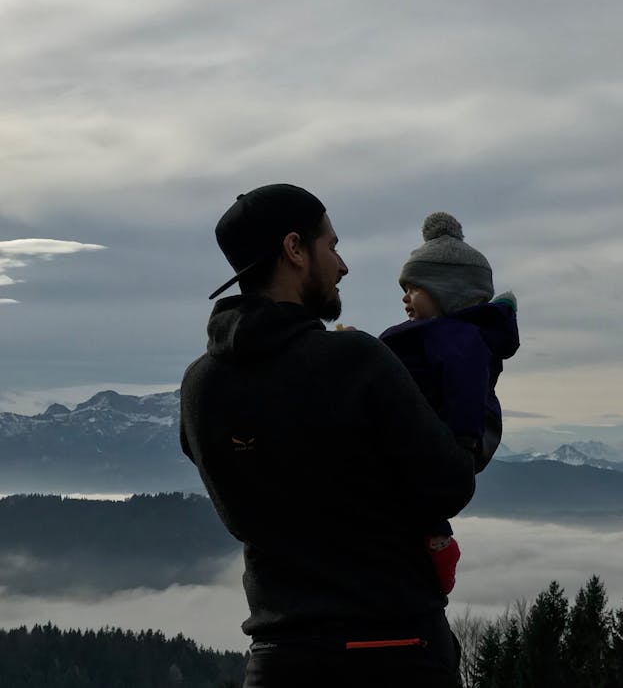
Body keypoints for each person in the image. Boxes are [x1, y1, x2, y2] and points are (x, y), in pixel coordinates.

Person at [180, 184, 474, 687]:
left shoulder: (200, 387)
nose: (342, 265)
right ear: (294, 250)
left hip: (277, 661)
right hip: (394, 651)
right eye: (332, 246)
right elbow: (451, 482)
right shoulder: (355, 360)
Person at [378, 211, 520, 596]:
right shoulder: (435, 336)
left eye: (414, 289)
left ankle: (440, 546)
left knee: (420, 500)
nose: (405, 298)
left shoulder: (458, 339)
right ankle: (435, 542)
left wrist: (463, 439)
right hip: (425, 437)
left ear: (446, 291)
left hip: (443, 439)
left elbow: (465, 390)